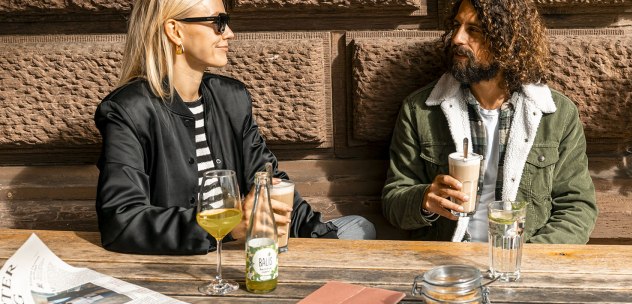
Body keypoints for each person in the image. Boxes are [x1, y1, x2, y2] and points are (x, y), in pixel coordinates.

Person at [94, 0, 375, 255]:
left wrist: (324, 243)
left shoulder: (231, 98)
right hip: (187, 255)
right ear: (175, 31)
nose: (229, 33)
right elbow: (122, 221)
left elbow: (266, 180)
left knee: (358, 228)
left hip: (252, 244)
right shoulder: (128, 110)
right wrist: (228, 224)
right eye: (218, 23)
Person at [381, 0, 597, 244]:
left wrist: (529, 257)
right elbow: (393, 203)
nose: (457, 39)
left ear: (508, 40)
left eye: (474, 30)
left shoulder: (556, 114)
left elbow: (577, 207)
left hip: (523, 263)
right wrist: (424, 200)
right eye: (456, 26)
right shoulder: (420, 109)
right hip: (447, 261)